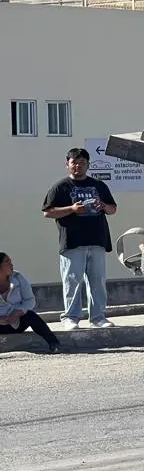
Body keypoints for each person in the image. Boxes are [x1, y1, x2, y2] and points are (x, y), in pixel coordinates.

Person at [41, 147, 117, 330]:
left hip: (97, 240)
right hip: (72, 241)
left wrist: (103, 205)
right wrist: (72, 209)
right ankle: (70, 317)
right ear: (67, 164)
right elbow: (48, 212)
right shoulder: (60, 187)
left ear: (88, 165)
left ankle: (98, 317)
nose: (78, 166)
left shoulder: (99, 185)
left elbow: (113, 209)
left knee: (97, 282)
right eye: (74, 162)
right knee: (72, 281)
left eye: (82, 162)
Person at [0, 252, 60, 353]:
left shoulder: (18, 277)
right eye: (7, 261)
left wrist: (17, 313)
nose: (11, 264)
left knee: (31, 315)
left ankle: (54, 344)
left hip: (16, 323)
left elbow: (30, 300)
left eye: (11, 261)